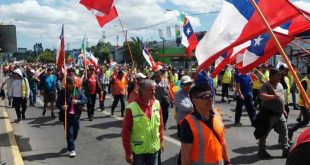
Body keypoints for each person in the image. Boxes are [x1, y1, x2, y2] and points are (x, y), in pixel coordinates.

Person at [180, 83, 231, 165]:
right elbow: (185, 156)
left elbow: (222, 140)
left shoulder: (216, 114)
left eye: (210, 96)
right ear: (194, 100)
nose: (210, 99)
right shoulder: (188, 123)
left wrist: (227, 161)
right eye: (205, 97)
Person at [121, 79, 164, 165]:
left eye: (154, 89)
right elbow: (125, 132)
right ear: (142, 91)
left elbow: (161, 125)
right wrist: (128, 153)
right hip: (138, 152)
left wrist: (161, 141)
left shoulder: (157, 104)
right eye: (151, 90)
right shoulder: (131, 108)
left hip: (153, 149)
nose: (154, 92)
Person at [258, 68, 289, 159]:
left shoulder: (279, 85)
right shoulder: (266, 85)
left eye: (280, 75)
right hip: (269, 114)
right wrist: (273, 96)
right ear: (272, 76)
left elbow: (281, 99)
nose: (280, 76)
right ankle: (262, 150)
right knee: (264, 133)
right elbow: (262, 96)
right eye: (277, 75)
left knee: (284, 131)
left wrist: (283, 110)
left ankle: (285, 149)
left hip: (280, 114)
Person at [56, 77, 87, 157]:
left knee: (75, 132)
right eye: (71, 84)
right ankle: (72, 149)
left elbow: (85, 100)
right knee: (69, 133)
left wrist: (78, 101)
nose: (72, 85)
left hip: (76, 115)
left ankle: (71, 142)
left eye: (74, 83)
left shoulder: (78, 91)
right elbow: (57, 103)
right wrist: (62, 107)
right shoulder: (63, 92)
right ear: (67, 84)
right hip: (67, 116)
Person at [174, 75, 194, 165]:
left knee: (192, 146)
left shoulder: (192, 93)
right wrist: (195, 106)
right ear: (181, 85)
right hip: (183, 124)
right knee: (185, 147)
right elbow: (182, 107)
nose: (189, 86)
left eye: (190, 83)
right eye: (186, 84)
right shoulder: (178, 94)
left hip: (193, 123)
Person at [288, 67, 310, 141]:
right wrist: (306, 105)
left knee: (306, 121)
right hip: (304, 104)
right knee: (305, 121)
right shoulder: (305, 81)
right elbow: (302, 94)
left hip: (308, 103)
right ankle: (291, 130)